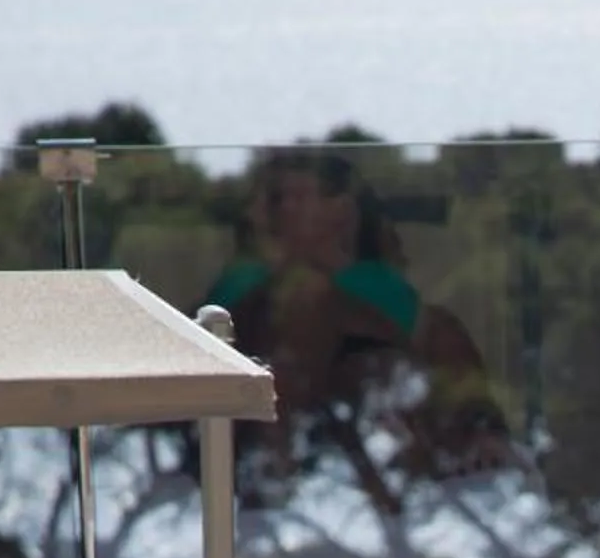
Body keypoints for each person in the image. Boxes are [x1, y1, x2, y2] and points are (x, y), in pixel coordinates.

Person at [207, 149, 511, 480]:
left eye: (302, 197)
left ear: (342, 210)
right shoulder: (243, 284)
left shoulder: (381, 287)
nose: (290, 210)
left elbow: (436, 355)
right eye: (279, 199)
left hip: (383, 465)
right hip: (259, 465)